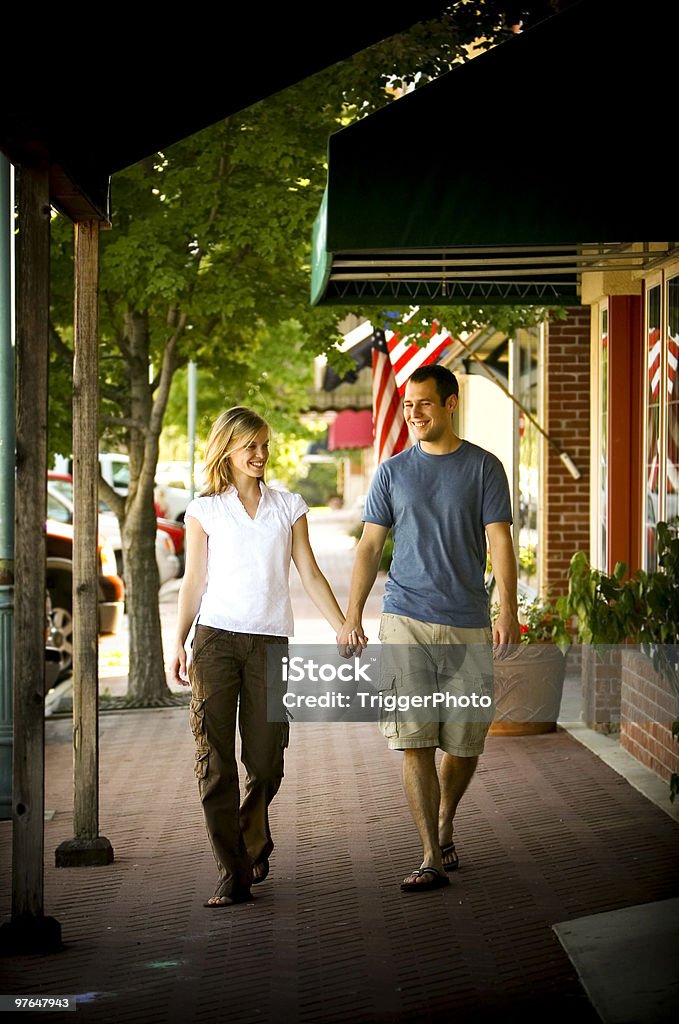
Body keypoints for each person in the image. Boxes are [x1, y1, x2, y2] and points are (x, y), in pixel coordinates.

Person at [338, 364, 519, 892]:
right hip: (404, 621)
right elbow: (370, 547)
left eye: (424, 404)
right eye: (408, 405)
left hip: (467, 622)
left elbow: (500, 541)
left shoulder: (484, 468)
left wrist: (507, 610)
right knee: (413, 741)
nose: (414, 414)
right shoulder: (393, 471)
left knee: (464, 745)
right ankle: (428, 856)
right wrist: (353, 615)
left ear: (449, 404)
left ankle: (444, 825)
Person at [171, 406, 347, 907]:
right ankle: (233, 871)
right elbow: (193, 582)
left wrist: (342, 626)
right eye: (250, 445)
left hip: (270, 642)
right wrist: (177, 643)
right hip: (215, 642)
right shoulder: (205, 510)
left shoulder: (288, 506)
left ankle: (252, 835)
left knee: (267, 760)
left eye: (265, 445)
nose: (260, 454)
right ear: (226, 448)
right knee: (215, 762)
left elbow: (309, 572)